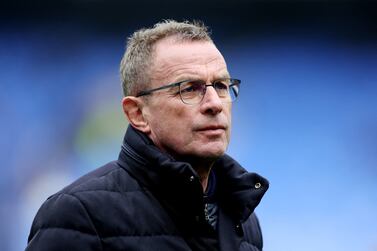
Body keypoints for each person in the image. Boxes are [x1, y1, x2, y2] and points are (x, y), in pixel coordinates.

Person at [26, 20, 269, 251]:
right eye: (189, 89)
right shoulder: (77, 215)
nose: (214, 103)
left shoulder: (243, 218)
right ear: (138, 114)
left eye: (221, 86)